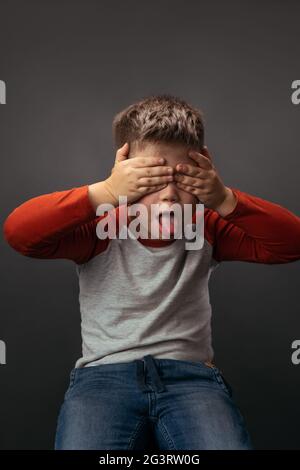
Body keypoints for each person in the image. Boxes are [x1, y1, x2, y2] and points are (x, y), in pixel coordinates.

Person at [3, 94, 300, 450]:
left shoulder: (206, 228)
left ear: (204, 171)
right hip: (102, 379)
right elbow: (20, 234)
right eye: (150, 180)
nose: (168, 196)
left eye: (184, 179)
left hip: (192, 379)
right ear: (123, 175)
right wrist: (106, 192)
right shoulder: (102, 229)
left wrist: (224, 199)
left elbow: (291, 244)